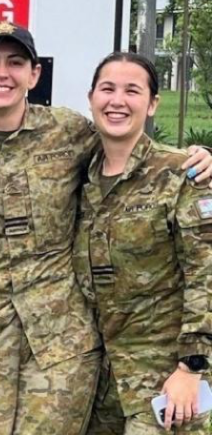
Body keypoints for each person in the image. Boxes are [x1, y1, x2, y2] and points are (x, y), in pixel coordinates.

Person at [0, 21, 212, 434]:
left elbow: (135, 152)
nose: (2, 73)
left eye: (15, 62)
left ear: (35, 74)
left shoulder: (69, 133)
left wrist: (201, 156)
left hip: (63, 344)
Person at [74, 52, 212, 434]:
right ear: (91, 98)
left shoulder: (182, 174)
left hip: (163, 378)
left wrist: (192, 367)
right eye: (107, 89)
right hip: (95, 382)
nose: (117, 101)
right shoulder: (78, 175)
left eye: (132, 91)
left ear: (152, 104)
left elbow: (206, 273)